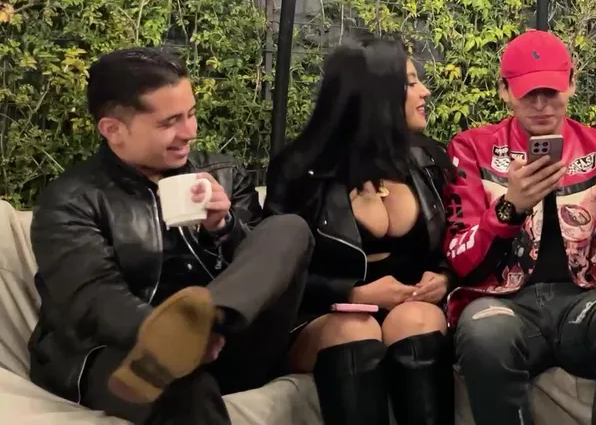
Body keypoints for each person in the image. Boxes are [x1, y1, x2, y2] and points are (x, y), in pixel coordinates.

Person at [27, 48, 314, 425]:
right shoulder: (71, 201)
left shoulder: (223, 174)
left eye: (191, 114)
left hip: (227, 344)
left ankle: (194, 328)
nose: (190, 132)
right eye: (170, 122)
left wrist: (223, 226)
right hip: (117, 355)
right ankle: (174, 340)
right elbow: (95, 301)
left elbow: (262, 271)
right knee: (182, 389)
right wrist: (164, 337)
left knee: (289, 228)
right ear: (113, 130)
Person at [443, 29, 596, 425]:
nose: (541, 105)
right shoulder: (471, 148)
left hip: (584, 300)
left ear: (571, 84)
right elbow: (460, 259)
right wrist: (510, 207)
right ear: (505, 91)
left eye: (551, 92)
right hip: (501, 303)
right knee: (486, 333)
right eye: (528, 94)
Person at [266, 36, 453, 425]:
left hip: (411, 308)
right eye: (411, 83)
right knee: (356, 327)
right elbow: (274, 273)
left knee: (415, 319)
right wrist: (350, 293)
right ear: (378, 96)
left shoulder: (430, 160)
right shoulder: (300, 171)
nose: (425, 91)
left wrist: (445, 277)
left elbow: (459, 240)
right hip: (324, 315)